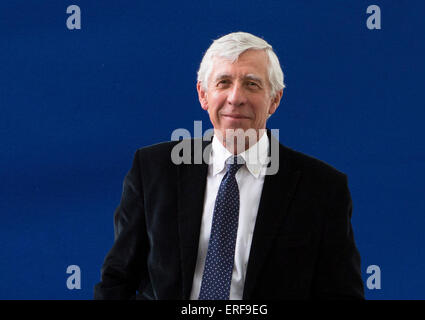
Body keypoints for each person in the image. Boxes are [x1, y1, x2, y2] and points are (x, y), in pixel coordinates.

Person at [94, 32, 364, 300]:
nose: (236, 98)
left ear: (275, 99)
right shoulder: (153, 170)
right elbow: (118, 280)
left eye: (252, 84)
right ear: (203, 94)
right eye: (223, 82)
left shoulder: (322, 188)